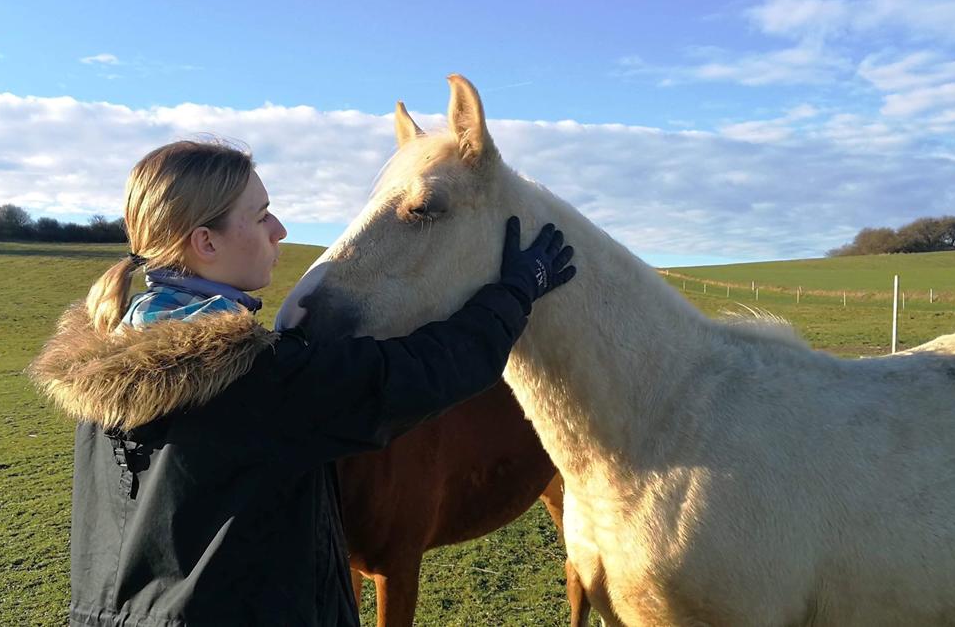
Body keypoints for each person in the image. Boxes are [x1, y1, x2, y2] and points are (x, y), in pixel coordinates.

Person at [29, 139, 577, 626]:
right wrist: (516, 290)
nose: (280, 231)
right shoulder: (250, 380)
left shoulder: (105, 367)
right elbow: (426, 371)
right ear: (206, 243)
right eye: (261, 214)